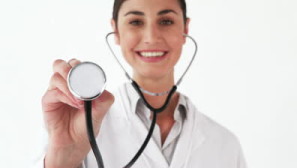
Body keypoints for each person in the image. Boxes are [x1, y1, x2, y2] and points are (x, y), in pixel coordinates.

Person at [34, 0, 247, 167]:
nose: (151, 37)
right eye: (136, 21)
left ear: (186, 29)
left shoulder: (225, 145)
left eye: (166, 21)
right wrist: (62, 159)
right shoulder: (79, 127)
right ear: (116, 31)